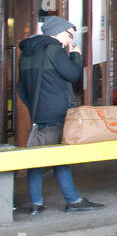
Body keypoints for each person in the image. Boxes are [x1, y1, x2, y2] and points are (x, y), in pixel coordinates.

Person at [17, 16, 104, 213]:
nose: (69, 40)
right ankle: (72, 200)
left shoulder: (28, 52)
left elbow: (21, 87)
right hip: (56, 110)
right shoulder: (53, 48)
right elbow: (72, 74)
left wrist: (34, 107)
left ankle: (37, 202)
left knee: (38, 156)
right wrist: (75, 55)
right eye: (69, 35)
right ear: (57, 32)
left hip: (38, 110)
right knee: (56, 155)